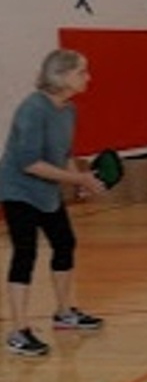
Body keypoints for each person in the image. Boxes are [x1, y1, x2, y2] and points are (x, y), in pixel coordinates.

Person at [0, 49, 107, 357]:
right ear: (60, 76)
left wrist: (79, 181)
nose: (88, 77)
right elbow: (29, 163)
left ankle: (63, 314)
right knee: (25, 253)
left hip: (47, 191)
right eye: (82, 72)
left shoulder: (68, 110)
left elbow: (65, 153)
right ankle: (19, 331)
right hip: (18, 189)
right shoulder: (32, 109)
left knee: (64, 243)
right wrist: (79, 180)